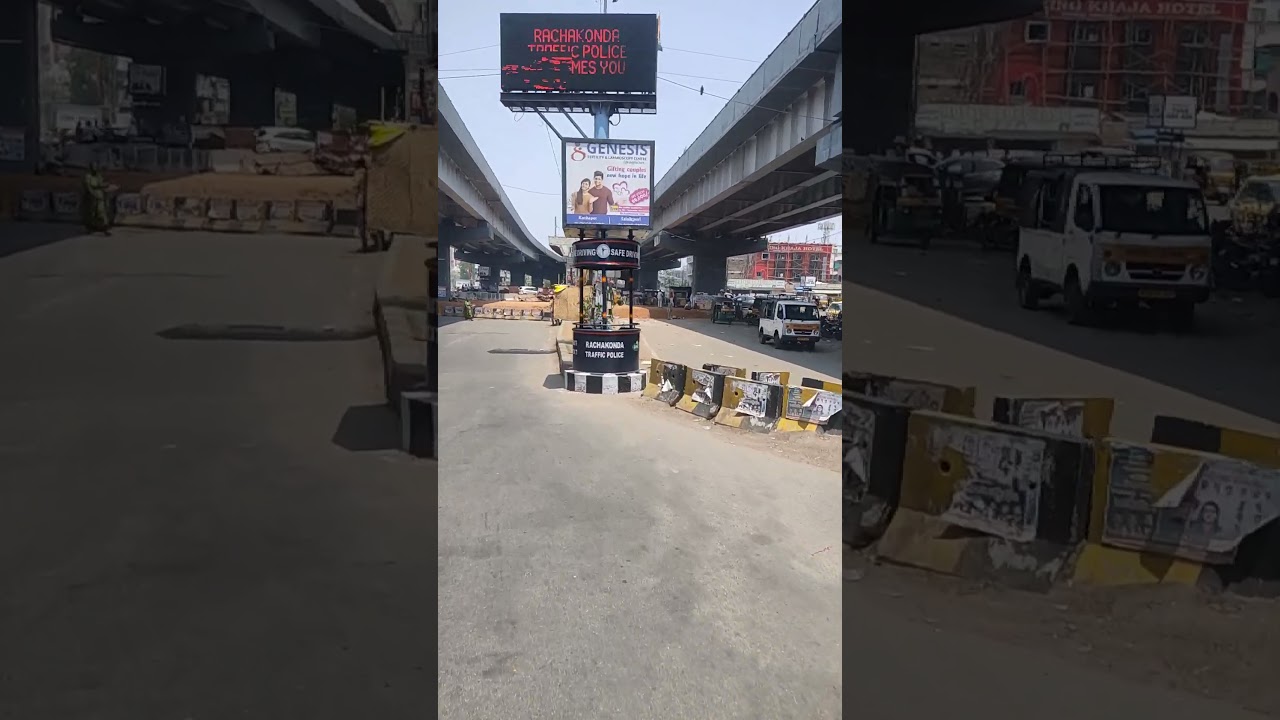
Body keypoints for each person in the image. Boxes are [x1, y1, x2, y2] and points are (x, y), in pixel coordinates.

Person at [80, 163, 112, 235]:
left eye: (96, 167)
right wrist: (93, 194)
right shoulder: (88, 176)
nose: (95, 169)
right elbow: (88, 187)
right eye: (93, 167)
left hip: (99, 196)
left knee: (102, 212)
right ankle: (90, 228)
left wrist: (105, 185)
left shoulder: (98, 175)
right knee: (92, 213)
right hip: (92, 197)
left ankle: (105, 229)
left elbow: (101, 184)